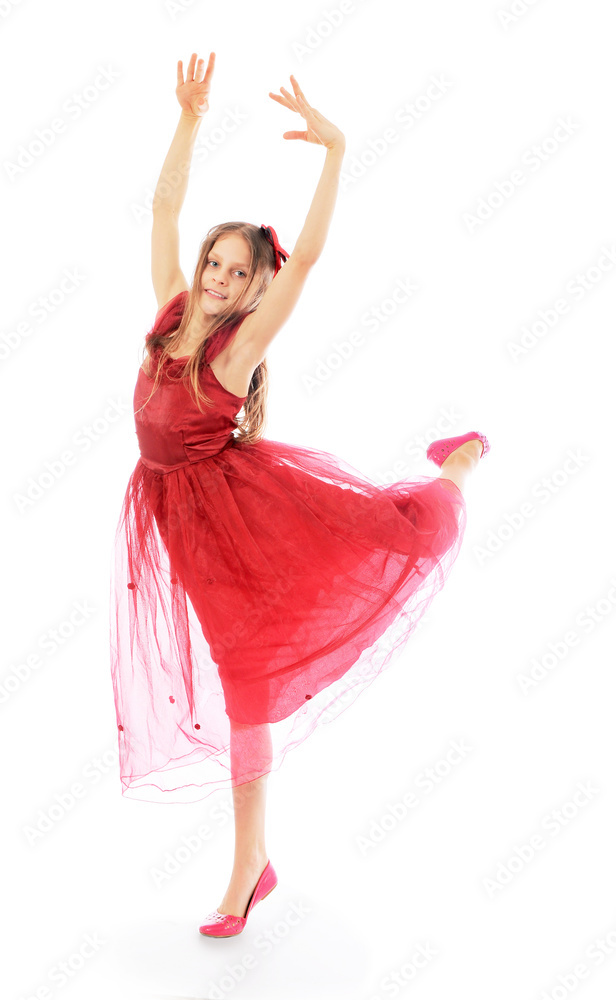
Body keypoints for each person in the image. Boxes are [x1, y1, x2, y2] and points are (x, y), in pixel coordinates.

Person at [109, 51, 490, 938]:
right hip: (176, 516)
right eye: (216, 264)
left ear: (255, 288)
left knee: (395, 537)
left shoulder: (235, 351)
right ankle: (255, 860)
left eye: (240, 273)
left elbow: (309, 257)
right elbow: (164, 207)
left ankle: (457, 465)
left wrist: (335, 151)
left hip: (241, 516)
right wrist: (190, 119)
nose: (219, 280)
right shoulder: (171, 313)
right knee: (243, 673)